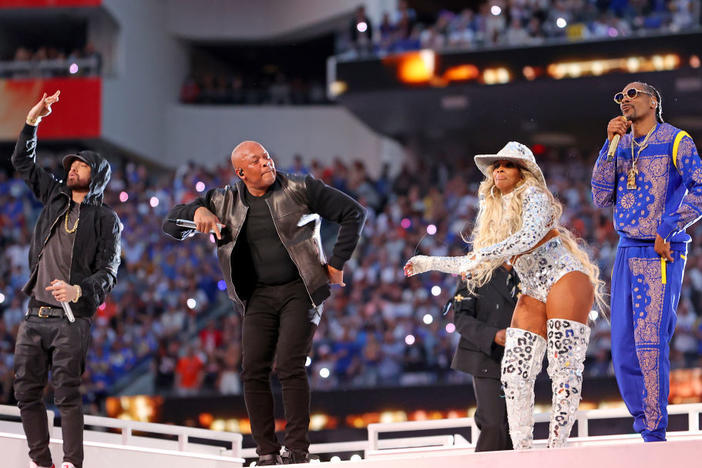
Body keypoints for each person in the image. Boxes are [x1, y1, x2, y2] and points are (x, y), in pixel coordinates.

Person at [163, 141, 365, 465]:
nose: (266, 163)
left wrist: (338, 263)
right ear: (241, 172)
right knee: (253, 370)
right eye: (256, 161)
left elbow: (354, 213)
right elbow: (170, 224)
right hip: (256, 296)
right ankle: (267, 452)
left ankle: (297, 449)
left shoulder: (301, 187)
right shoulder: (222, 199)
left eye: (267, 157)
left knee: (289, 365)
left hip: (302, 289)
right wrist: (196, 211)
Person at [405, 142, 603, 449]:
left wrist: (486, 253)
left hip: (565, 277)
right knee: (514, 372)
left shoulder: (535, 196)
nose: (499, 169)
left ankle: (557, 448)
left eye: (508, 164)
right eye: (496, 165)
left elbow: (529, 236)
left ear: (523, 172)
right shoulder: (495, 216)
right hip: (533, 288)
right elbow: (474, 261)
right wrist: (428, 263)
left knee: (563, 368)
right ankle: (523, 451)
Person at [11, 91, 122, 468]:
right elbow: (22, 162)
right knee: (25, 393)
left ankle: (72, 463)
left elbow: (109, 271)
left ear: (98, 176)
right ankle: (42, 463)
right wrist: (32, 122)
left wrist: (78, 290)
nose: (72, 168)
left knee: (67, 394)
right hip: (34, 314)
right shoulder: (55, 197)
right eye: (71, 165)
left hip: (71, 320)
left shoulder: (106, 219)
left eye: (81, 165)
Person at [591, 81, 702, 442]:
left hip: (660, 250)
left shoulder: (676, 140)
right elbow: (600, 195)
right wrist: (609, 144)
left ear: (654, 101)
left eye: (632, 93)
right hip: (626, 247)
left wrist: (669, 226)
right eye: (620, 96)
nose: (624, 100)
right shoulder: (619, 145)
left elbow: (700, 188)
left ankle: (655, 433)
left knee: (649, 341)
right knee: (622, 345)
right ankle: (644, 425)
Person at [449, 265, 518, 451]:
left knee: (515, 429)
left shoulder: (527, 271)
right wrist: (492, 335)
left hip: (520, 361)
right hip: (486, 358)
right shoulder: (475, 272)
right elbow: (461, 318)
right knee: (494, 425)